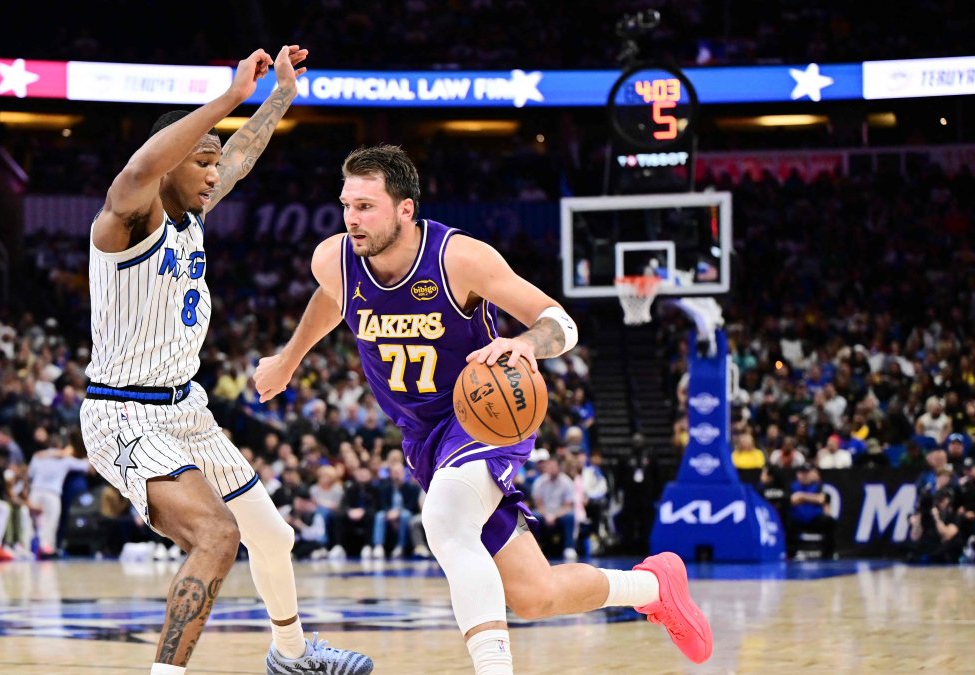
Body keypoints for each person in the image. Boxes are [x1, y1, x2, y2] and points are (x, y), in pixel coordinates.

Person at [255, 145, 712, 674]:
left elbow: (561, 324)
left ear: (405, 209)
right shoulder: (333, 258)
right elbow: (332, 297)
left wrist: (525, 344)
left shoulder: (459, 259)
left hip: (486, 414)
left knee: (445, 523)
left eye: (366, 207)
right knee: (534, 595)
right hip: (423, 438)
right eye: (346, 205)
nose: (351, 220)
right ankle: (655, 586)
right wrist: (289, 361)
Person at [77, 44, 370, 675]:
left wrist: (281, 94)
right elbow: (138, 168)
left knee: (274, 536)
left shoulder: (192, 214)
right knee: (215, 536)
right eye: (201, 162)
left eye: (214, 163)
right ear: (169, 166)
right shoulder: (123, 221)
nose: (215, 173)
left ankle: (291, 655)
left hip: (186, 408)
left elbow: (239, 155)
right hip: (126, 415)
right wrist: (232, 96)